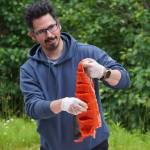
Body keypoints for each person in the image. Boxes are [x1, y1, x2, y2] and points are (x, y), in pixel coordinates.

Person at [20, 1, 130, 150]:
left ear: (58, 25)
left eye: (51, 27)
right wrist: (62, 104)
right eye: (41, 31)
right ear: (32, 35)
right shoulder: (29, 69)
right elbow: (32, 108)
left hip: (95, 145)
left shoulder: (88, 52)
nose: (49, 35)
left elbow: (124, 80)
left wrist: (104, 73)